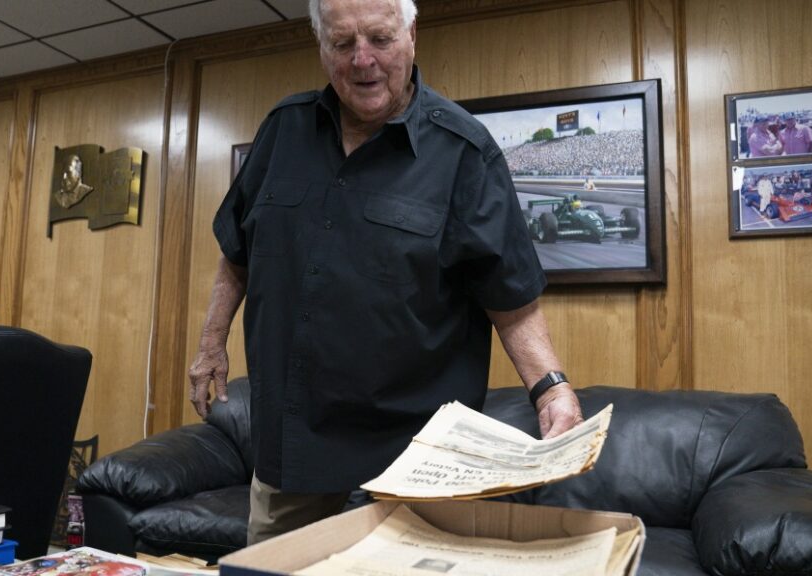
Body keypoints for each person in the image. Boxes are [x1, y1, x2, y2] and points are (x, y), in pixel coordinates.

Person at [188, 0, 583, 544]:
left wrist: (552, 391)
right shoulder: (283, 130)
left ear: (411, 34)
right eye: (343, 44)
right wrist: (212, 342)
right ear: (321, 46)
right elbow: (238, 249)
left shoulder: (465, 152)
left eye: (379, 38)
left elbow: (508, 293)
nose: (363, 60)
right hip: (295, 448)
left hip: (416, 457)